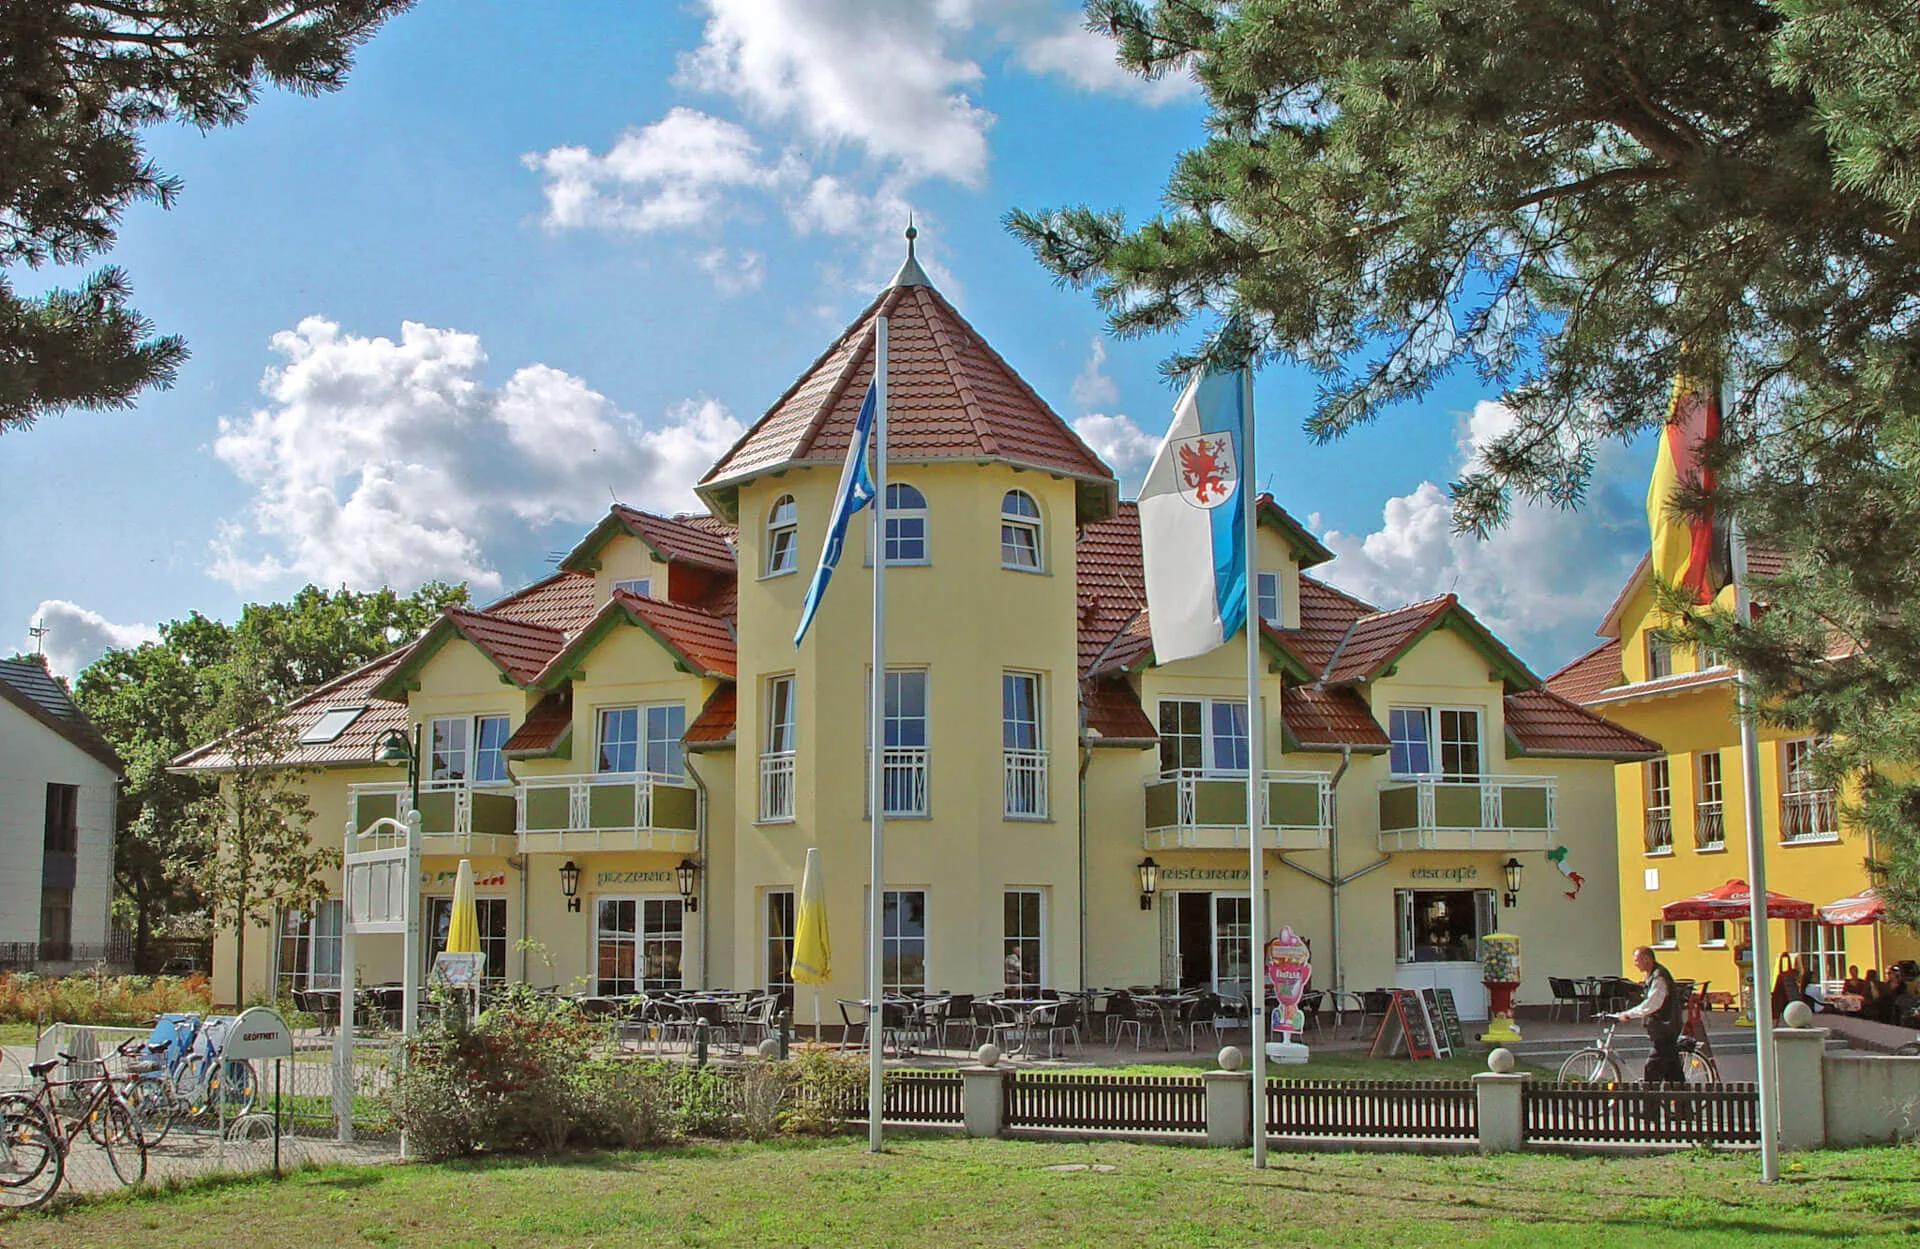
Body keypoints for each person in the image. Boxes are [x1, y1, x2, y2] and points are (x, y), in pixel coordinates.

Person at [1611, 945, 1686, 1082]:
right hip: (1663, 1028)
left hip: (1666, 1028)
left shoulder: (1659, 977)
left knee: (1652, 1068)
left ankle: (1651, 1102)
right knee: (1673, 1072)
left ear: (1647, 959)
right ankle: (1682, 1101)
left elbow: (1653, 1003)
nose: (1635, 964)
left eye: (1637, 960)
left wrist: (1628, 1014)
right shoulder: (1652, 975)